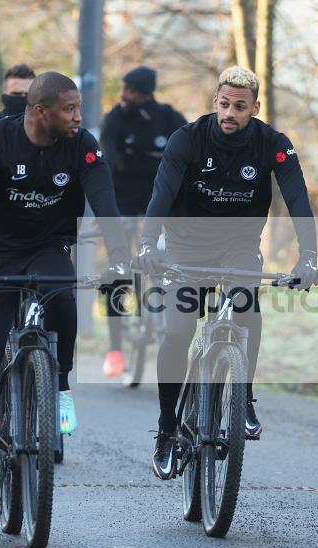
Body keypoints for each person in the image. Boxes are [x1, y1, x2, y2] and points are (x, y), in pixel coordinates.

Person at [0, 72, 129, 521]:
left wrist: (119, 257)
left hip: (48, 247)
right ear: (40, 112)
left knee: (63, 293)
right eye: (69, 109)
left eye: (79, 108)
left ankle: (59, 385)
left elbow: (105, 199)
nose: (79, 117)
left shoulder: (83, 144)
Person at [134, 66, 318, 480]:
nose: (230, 113)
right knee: (178, 332)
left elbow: (297, 199)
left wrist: (308, 256)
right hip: (184, 248)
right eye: (224, 104)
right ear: (215, 103)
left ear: (255, 108)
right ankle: (167, 429)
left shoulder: (273, 144)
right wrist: (148, 246)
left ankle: (243, 396)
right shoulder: (187, 139)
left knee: (245, 300)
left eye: (240, 106)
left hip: (238, 246)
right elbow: (162, 194)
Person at [99, 66, 186, 377]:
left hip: (159, 203)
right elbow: (105, 165)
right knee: (118, 269)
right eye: (122, 88)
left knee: (168, 260)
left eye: (129, 90)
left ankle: (164, 318)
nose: (123, 95)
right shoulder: (114, 120)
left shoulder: (169, 118)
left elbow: (189, 152)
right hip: (122, 201)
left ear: (145, 92)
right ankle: (115, 349)